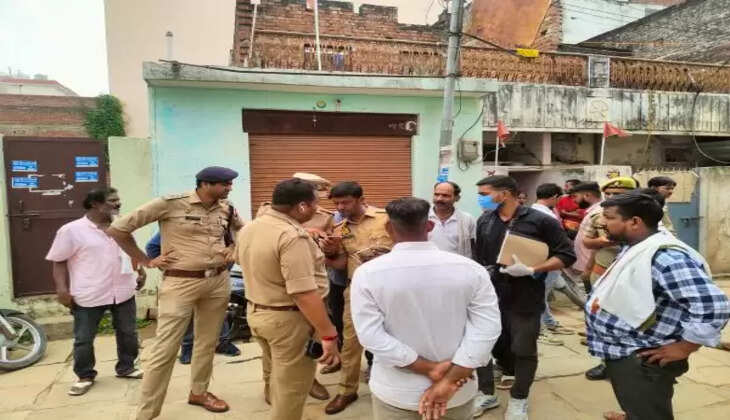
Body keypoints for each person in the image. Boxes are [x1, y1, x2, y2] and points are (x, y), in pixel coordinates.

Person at [107, 166, 243, 419]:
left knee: (207, 342)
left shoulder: (227, 208)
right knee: (166, 348)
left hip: (217, 281)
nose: (230, 188)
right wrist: (146, 260)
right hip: (181, 283)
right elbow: (118, 229)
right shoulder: (170, 204)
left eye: (230, 183)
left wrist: (234, 248)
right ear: (205, 184)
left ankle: (199, 392)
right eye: (225, 184)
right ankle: (147, 412)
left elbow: (243, 232)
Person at [351, 197, 501, 420]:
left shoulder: (367, 274)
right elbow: (487, 328)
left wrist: (428, 368)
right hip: (456, 392)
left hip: (397, 392)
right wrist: (450, 378)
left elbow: (370, 335)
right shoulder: (471, 269)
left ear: (388, 227)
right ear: (430, 226)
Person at [586, 191, 730, 420]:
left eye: (609, 217)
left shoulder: (666, 257)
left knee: (649, 410)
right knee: (639, 404)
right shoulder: (637, 245)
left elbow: (712, 307)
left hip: (642, 359)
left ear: (635, 222)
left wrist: (685, 347)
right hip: (626, 352)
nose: (602, 223)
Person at [473, 175, 576, 420]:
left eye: (485, 194)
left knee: (523, 348)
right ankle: (486, 393)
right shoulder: (485, 220)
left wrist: (532, 269)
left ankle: (519, 399)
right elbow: (480, 255)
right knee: (483, 346)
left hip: (525, 295)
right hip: (490, 296)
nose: (480, 199)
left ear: (505, 193)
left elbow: (566, 255)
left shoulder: (540, 221)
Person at [237, 178, 340, 420]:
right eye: (315, 204)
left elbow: (241, 261)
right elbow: (303, 292)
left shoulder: (251, 227)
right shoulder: (292, 236)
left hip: (258, 312)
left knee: (276, 377)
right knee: (291, 392)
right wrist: (328, 334)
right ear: (302, 206)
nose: (317, 210)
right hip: (288, 322)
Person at [46, 187, 144, 396]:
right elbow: (59, 261)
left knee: (128, 332)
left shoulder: (123, 226)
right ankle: (84, 375)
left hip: (123, 289)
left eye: (118, 200)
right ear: (95, 204)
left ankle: (127, 367)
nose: (118, 204)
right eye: (112, 201)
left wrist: (140, 271)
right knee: (84, 338)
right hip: (90, 292)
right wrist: (62, 289)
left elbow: (130, 250)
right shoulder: (71, 231)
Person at [320, 181, 393, 415]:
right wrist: (330, 251)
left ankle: (396, 385)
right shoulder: (338, 227)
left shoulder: (386, 218)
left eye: (346, 202)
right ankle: (346, 391)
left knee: (397, 335)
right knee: (350, 342)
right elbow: (341, 264)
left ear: (361, 200)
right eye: (337, 203)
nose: (341, 207)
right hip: (357, 290)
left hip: (393, 289)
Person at [144, 232, 240, 365]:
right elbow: (152, 247)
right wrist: (167, 267)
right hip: (185, 280)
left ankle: (222, 342)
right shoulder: (179, 226)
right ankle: (188, 347)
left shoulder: (220, 225)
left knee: (218, 310)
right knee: (188, 314)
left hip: (215, 279)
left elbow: (233, 246)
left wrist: (224, 269)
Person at [575, 178, 637, 381]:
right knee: (602, 316)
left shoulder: (649, 215)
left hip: (633, 273)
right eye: (608, 194)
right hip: (603, 272)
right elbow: (587, 242)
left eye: (617, 194)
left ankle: (637, 361)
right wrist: (599, 243)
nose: (611, 197)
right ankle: (606, 363)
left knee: (632, 317)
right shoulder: (599, 216)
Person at [531, 183, 575, 338]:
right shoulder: (547, 216)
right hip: (549, 261)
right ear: (555, 197)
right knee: (539, 296)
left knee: (541, 294)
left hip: (538, 261)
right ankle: (539, 329)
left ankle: (549, 323)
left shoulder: (530, 212)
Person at [428, 181, 476, 258]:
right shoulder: (422, 217)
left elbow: (473, 247)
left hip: (458, 264)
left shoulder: (467, 219)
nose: (439, 199)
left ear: (457, 198)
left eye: (445, 195)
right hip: (428, 264)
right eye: (436, 194)